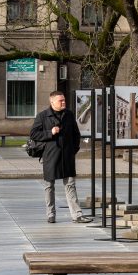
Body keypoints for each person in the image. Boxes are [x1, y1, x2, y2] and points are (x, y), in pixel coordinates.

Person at [30, 91, 92, 224]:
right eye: (60, 101)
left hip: (67, 156)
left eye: (64, 100)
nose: (63, 102)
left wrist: (73, 150)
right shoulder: (42, 116)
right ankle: (50, 214)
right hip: (51, 156)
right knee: (49, 186)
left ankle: (77, 215)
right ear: (52, 102)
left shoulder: (69, 115)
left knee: (70, 184)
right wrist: (50, 133)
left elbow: (76, 134)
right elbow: (34, 134)